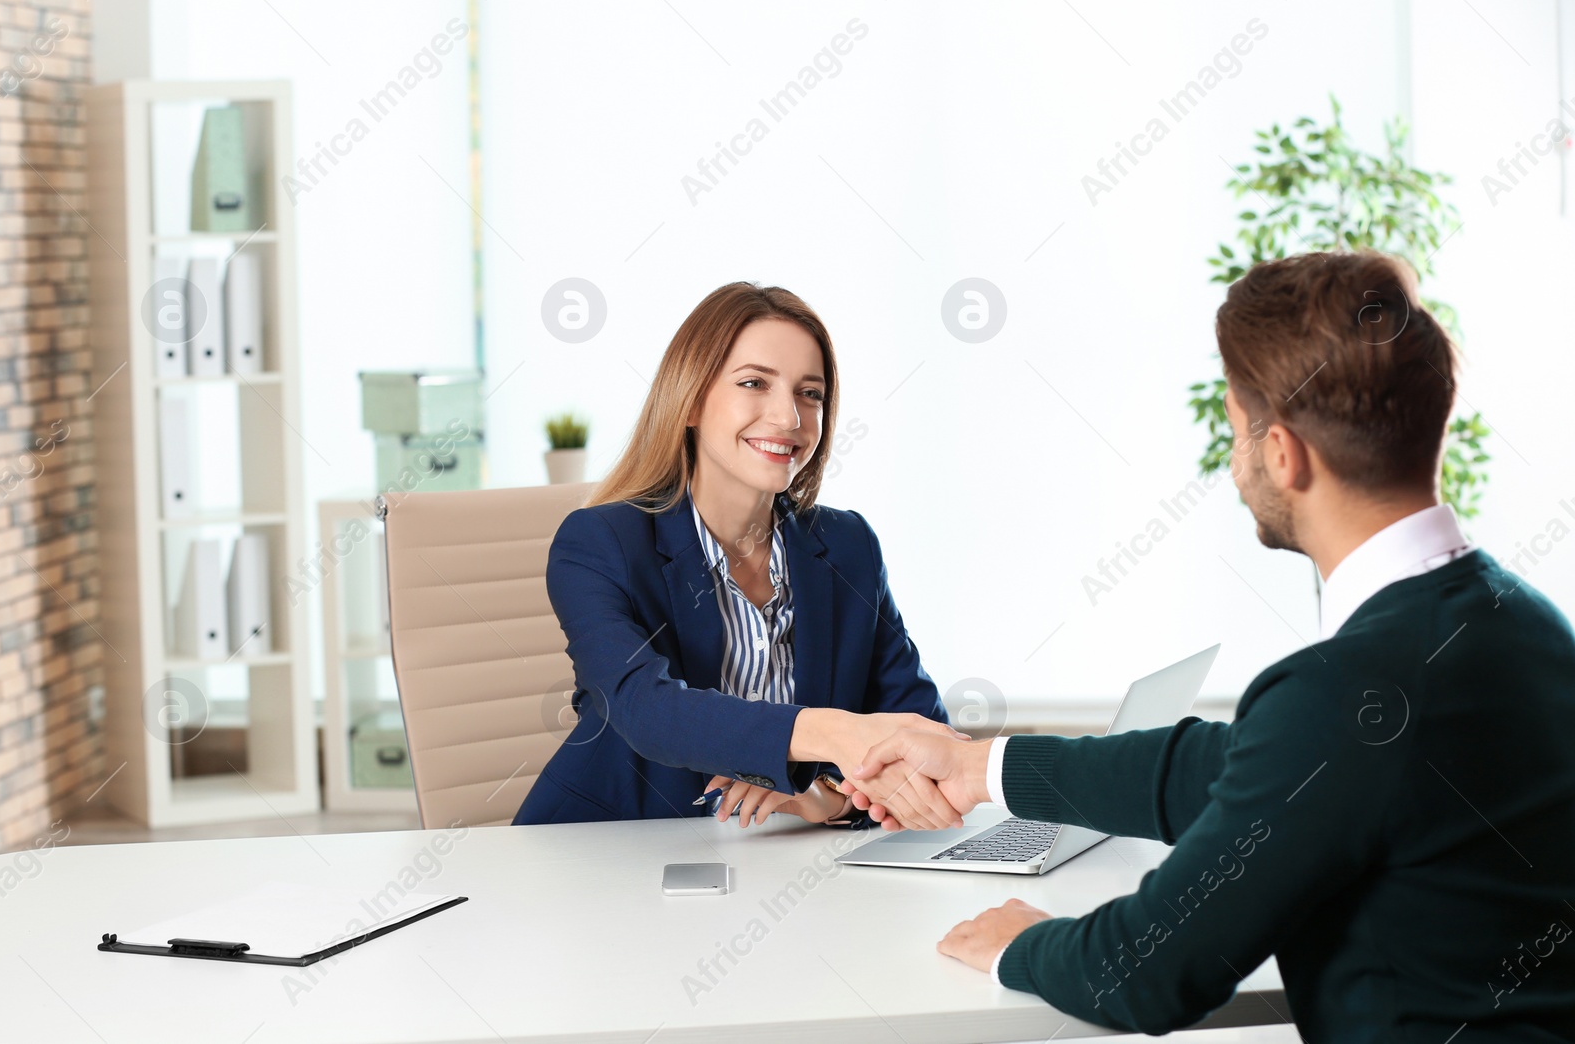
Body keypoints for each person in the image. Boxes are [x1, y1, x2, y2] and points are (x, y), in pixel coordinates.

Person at [840, 252, 1575, 1039]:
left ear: (1284, 453)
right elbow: (1233, 767)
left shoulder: (1349, 687)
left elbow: (1147, 971)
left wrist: (1023, 943)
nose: (1234, 464)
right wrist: (977, 765)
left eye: (1235, 432)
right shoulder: (1528, 625)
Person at [515, 281, 966, 829]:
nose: (789, 418)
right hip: (609, 860)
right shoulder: (600, 542)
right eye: (755, 383)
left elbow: (922, 736)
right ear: (691, 402)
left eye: (810, 393)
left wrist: (830, 795)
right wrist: (837, 733)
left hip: (782, 867)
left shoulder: (848, 547)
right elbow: (645, 708)